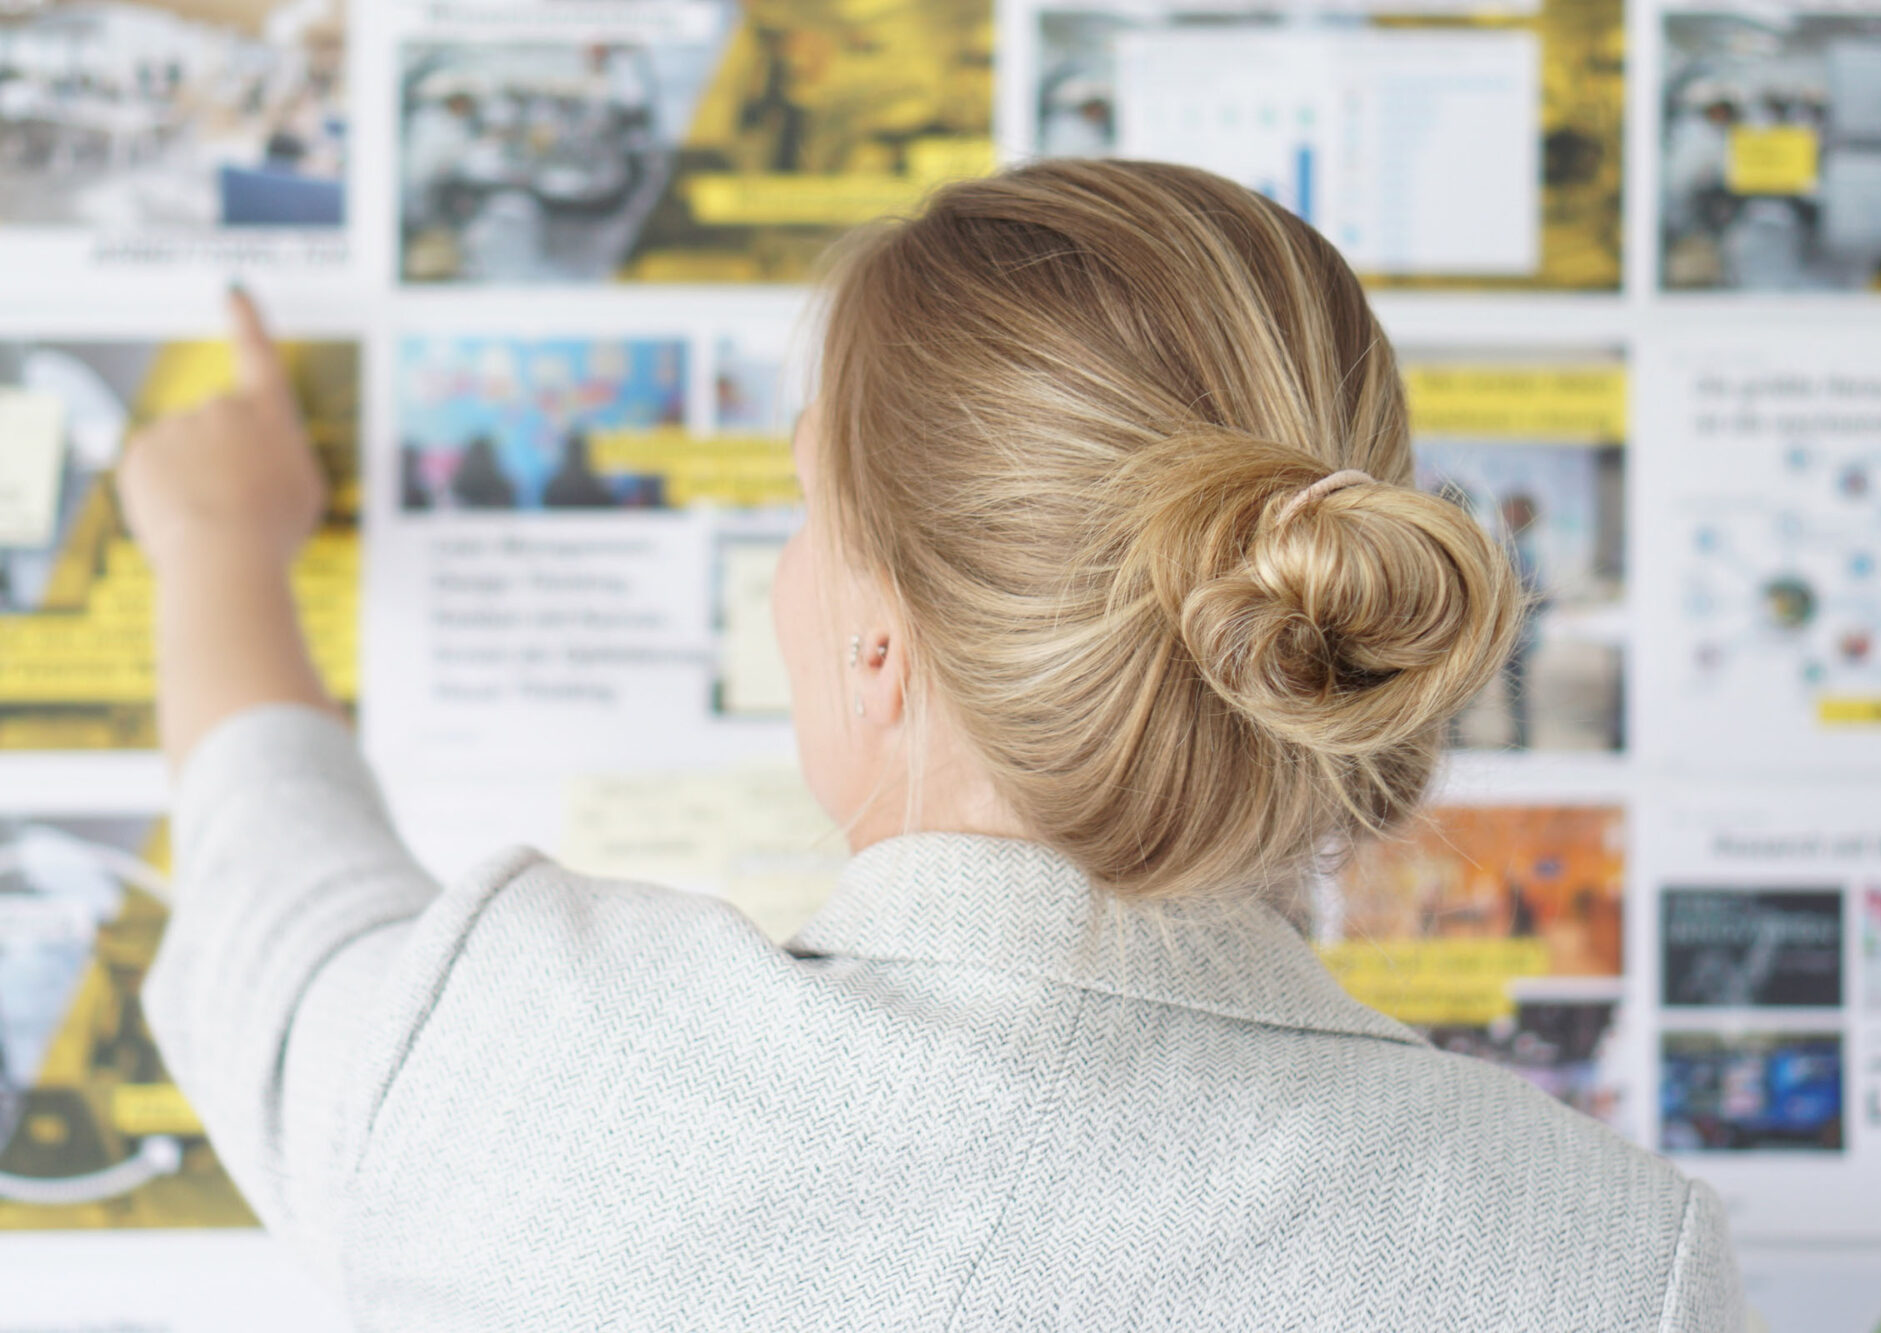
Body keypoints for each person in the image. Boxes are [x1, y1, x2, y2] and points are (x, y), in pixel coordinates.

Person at [117, 164, 1740, 1330]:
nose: (784, 576)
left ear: (881, 636)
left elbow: (276, 893)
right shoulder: (1607, 1264)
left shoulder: (509, 1055)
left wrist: (214, 541)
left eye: (808, 513)